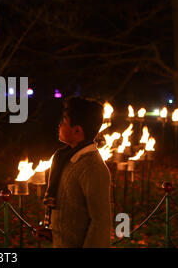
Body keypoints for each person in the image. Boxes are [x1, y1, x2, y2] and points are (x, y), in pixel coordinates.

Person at [35, 96, 111, 248]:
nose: (59, 125)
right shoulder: (65, 159)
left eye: (64, 121)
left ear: (77, 130)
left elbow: (100, 222)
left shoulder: (92, 168)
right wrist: (53, 232)